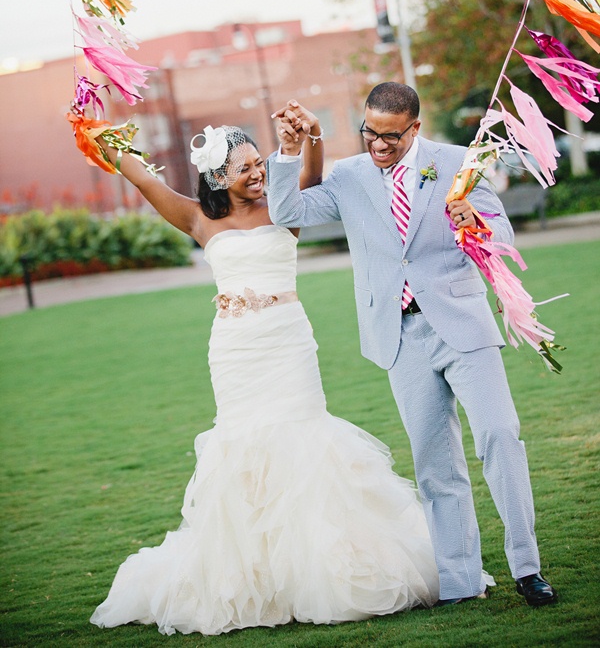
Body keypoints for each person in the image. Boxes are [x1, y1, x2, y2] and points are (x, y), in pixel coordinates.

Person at [89, 120, 439, 637]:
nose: (258, 173)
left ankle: (321, 569)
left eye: (260, 162)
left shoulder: (283, 205)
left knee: (303, 435)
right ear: (216, 177)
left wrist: (313, 135)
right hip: (234, 352)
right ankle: (258, 575)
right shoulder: (196, 219)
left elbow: (312, 176)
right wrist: (101, 136)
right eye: (245, 168)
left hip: (289, 343)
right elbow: (145, 181)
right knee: (244, 446)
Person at [268, 82, 557, 608]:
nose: (378, 145)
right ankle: (459, 580)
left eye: (391, 137)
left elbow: (504, 237)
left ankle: (527, 566)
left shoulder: (456, 164)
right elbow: (286, 212)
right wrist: (289, 151)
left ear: (415, 128)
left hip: (463, 325)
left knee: (500, 436)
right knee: (433, 463)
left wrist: (479, 227)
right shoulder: (349, 176)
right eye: (370, 133)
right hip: (399, 338)